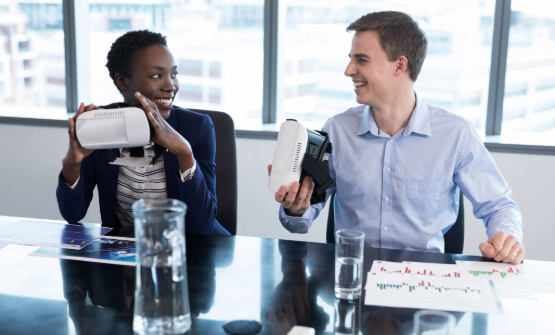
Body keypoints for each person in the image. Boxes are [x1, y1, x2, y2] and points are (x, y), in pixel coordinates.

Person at [271, 11, 524, 263]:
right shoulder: (337, 130)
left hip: (424, 285)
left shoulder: (455, 135)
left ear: (400, 65)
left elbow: (500, 206)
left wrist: (506, 238)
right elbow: (300, 220)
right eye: (351, 59)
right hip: (352, 281)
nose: (349, 70)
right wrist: (296, 209)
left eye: (361, 60)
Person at [57, 30, 229, 235]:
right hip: (128, 251)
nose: (171, 86)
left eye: (174, 75)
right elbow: (73, 214)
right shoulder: (100, 126)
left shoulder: (197, 128)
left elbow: (202, 225)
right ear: (122, 81)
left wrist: (185, 154)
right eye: (157, 76)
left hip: (192, 250)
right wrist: (72, 163)